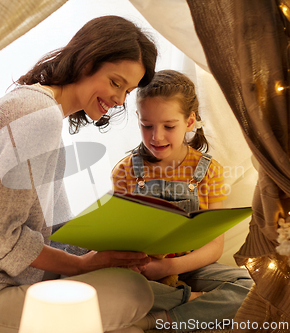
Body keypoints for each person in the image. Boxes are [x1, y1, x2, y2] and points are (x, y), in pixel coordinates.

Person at [0, 16, 158, 333]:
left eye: (127, 91)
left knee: (130, 305)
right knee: (135, 294)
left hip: (5, 281)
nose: (119, 100)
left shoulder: (42, 111)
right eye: (116, 83)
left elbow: (56, 228)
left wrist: (109, 249)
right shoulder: (38, 116)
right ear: (86, 60)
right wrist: (80, 265)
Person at [111, 70, 253, 332]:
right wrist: (145, 265)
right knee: (109, 283)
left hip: (190, 266)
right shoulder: (126, 170)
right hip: (141, 269)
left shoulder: (208, 170)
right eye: (147, 125)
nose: (157, 137)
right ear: (138, 120)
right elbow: (117, 235)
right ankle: (189, 301)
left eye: (169, 126)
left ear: (189, 122)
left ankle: (162, 320)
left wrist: (169, 266)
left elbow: (214, 247)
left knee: (250, 287)